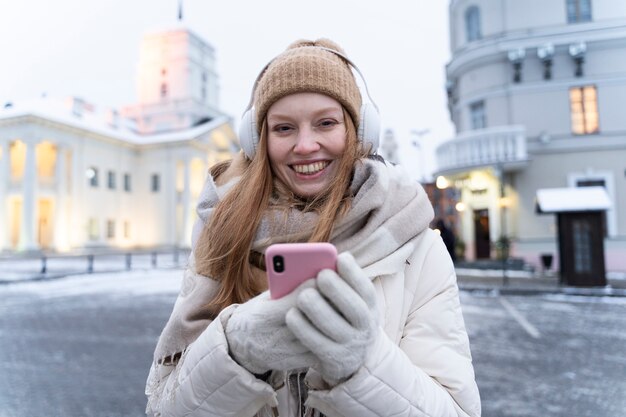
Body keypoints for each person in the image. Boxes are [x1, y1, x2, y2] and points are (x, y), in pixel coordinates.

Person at [145, 38, 481, 417]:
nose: (306, 145)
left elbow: (457, 411)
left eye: (325, 123)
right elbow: (165, 408)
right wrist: (234, 350)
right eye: (284, 128)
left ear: (359, 131)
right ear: (257, 140)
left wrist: (363, 363)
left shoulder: (415, 248)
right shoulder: (220, 234)